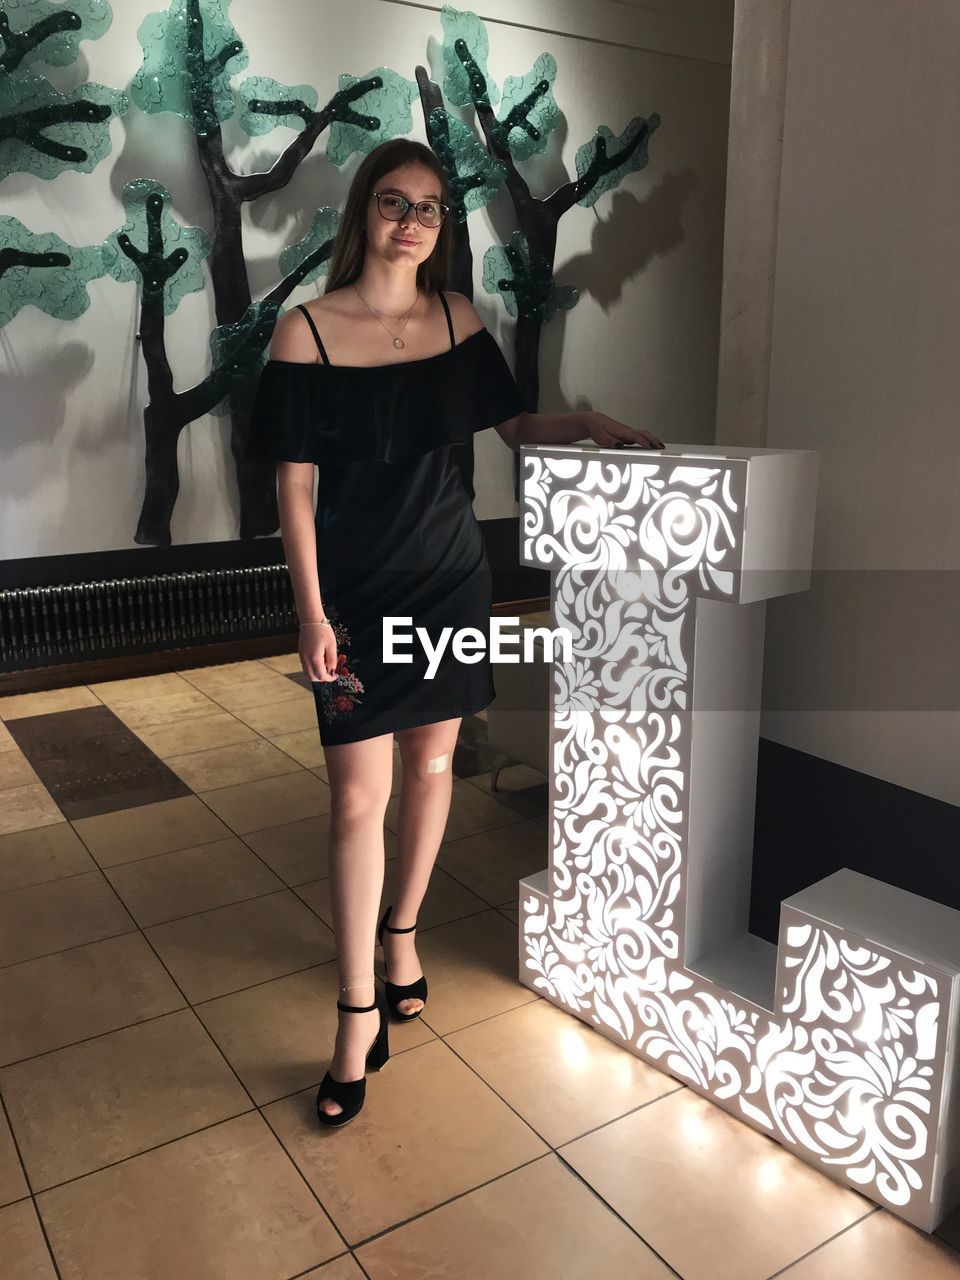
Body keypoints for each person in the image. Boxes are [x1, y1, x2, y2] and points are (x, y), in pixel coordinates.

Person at [246, 137, 663, 1128]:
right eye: (394, 202)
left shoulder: (457, 316)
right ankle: (356, 1016)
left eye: (429, 207)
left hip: (448, 585)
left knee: (434, 772)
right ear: (365, 214)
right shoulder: (305, 332)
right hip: (350, 596)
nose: (411, 221)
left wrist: (590, 418)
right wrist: (307, 610)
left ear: (440, 226)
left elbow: (513, 429)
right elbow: (293, 487)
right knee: (358, 801)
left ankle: (402, 937)